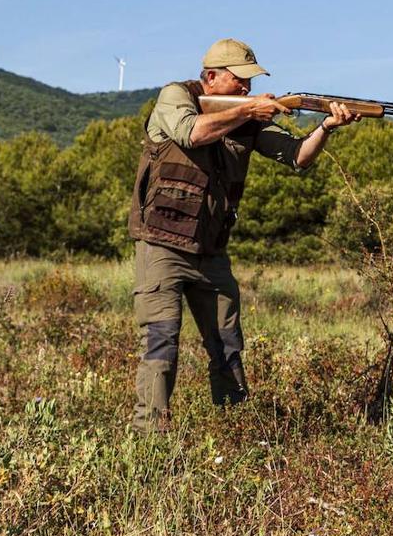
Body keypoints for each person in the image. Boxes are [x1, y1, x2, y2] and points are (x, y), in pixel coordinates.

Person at [127, 38, 359, 432]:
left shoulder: (245, 116)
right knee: (162, 344)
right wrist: (250, 109)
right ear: (212, 77)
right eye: (240, 81)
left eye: (251, 83)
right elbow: (193, 134)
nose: (247, 90)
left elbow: (298, 156)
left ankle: (234, 431)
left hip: (211, 252)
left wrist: (326, 127)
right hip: (163, 244)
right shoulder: (175, 97)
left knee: (228, 346)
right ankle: (149, 440)